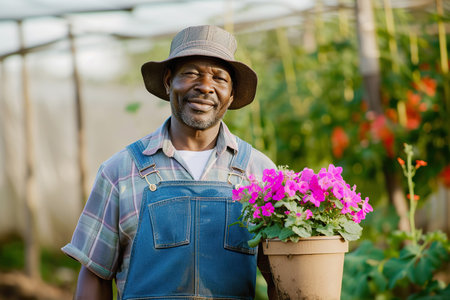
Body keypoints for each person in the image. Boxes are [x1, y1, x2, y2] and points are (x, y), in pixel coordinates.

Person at [62, 25, 278, 300]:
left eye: (220, 78)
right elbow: (95, 274)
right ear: (168, 81)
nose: (205, 87)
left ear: (232, 94)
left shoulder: (259, 172)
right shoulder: (121, 171)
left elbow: (281, 274)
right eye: (191, 73)